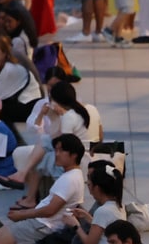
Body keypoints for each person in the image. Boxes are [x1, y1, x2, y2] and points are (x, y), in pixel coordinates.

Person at [0, 134, 86, 244]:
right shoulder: (70, 176)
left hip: (42, 225)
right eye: (56, 150)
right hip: (38, 222)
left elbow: (50, 210)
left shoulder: (70, 179)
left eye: (61, 150)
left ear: (74, 155)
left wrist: (22, 214)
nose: (57, 154)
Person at [5, 80, 93, 209]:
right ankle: (25, 184)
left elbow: (64, 143)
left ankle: (27, 190)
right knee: (44, 142)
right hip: (72, 152)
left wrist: (53, 118)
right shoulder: (76, 112)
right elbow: (55, 136)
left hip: (74, 157)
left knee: (41, 159)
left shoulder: (69, 117)